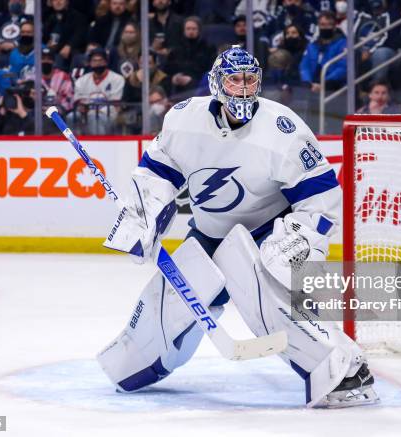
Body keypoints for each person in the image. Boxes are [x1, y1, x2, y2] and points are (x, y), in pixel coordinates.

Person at [96, 46, 378, 409]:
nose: (243, 88)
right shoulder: (184, 119)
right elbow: (157, 173)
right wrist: (143, 217)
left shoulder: (284, 129)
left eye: (250, 80)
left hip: (265, 231)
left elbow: (321, 199)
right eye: (234, 79)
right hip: (208, 233)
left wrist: (297, 243)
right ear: (216, 82)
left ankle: (344, 371)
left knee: (267, 301)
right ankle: (134, 363)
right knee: (164, 308)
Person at [72, 48, 124, 134]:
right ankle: (73, 145)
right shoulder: (82, 80)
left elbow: (115, 105)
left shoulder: (117, 79)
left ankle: (98, 146)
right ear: (90, 63)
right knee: (72, 116)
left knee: (94, 116)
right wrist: (83, 108)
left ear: (106, 62)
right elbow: (80, 102)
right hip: (86, 116)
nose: (98, 63)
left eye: (100, 60)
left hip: (108, 116)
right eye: (94, 61)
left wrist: (95, 111)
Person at [164, 16, 216, 97]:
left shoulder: (208, 48)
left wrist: (191, 79)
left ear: (199, 30)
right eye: (188, 29)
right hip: (177, 84)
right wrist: (174, 78)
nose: (191, 31)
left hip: (198, 83)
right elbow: (168, 68)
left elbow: (209, 69)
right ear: (184, 30)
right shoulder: (176, 49)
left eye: (194, 29)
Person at [299, 11, 347, 93]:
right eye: (322, 25)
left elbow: (343, 67)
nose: (325, 27)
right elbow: (304, 66)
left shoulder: (343, 43)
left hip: (333, 86)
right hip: (312, 85)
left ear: (335, 27)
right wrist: (308, 82)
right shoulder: (312, 44)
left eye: (329, 25)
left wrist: (323, 84)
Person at [43, 0, 89, 68]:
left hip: (72, 51)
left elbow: (80, 34)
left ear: (67, 2)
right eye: (54, 0)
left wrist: (69, 45)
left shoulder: (77, 17)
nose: (58, 2)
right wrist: (47, 42)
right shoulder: (50, 17)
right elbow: (45, 35)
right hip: (54, 50)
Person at [41, 48, 74, 115]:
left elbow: (69, 98)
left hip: (58, 112)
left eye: (49, 59)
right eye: (43, 58)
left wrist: (59, 109)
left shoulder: (63, 76)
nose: (46, 61)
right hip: (38, 113)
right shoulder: (32, 77)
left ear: (53, 61)